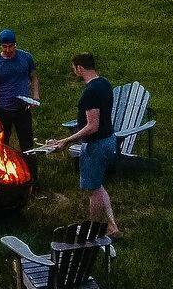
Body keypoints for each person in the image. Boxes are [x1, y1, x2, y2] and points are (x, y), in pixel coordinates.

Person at [45, 53, 118, 237]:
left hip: (96, 145)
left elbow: (92, 126)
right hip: (110, 140)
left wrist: (67, 141)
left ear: (79, 68)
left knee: (93, 190)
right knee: (99, 185)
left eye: (74, 68)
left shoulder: (90, 92)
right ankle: (112, 226)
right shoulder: (105, 83)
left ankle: (93, 231)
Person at [0, 28, 38, 152]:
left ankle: (30, 170)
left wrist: (35, 96)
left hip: (22, 110)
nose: (8, 50)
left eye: (11, 46)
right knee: (2, 145)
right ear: (0, 46)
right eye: (4, 47)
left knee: (27, 146)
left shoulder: (26, 58)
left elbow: (34, 77)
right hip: (4, 110)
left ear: (15, 44)